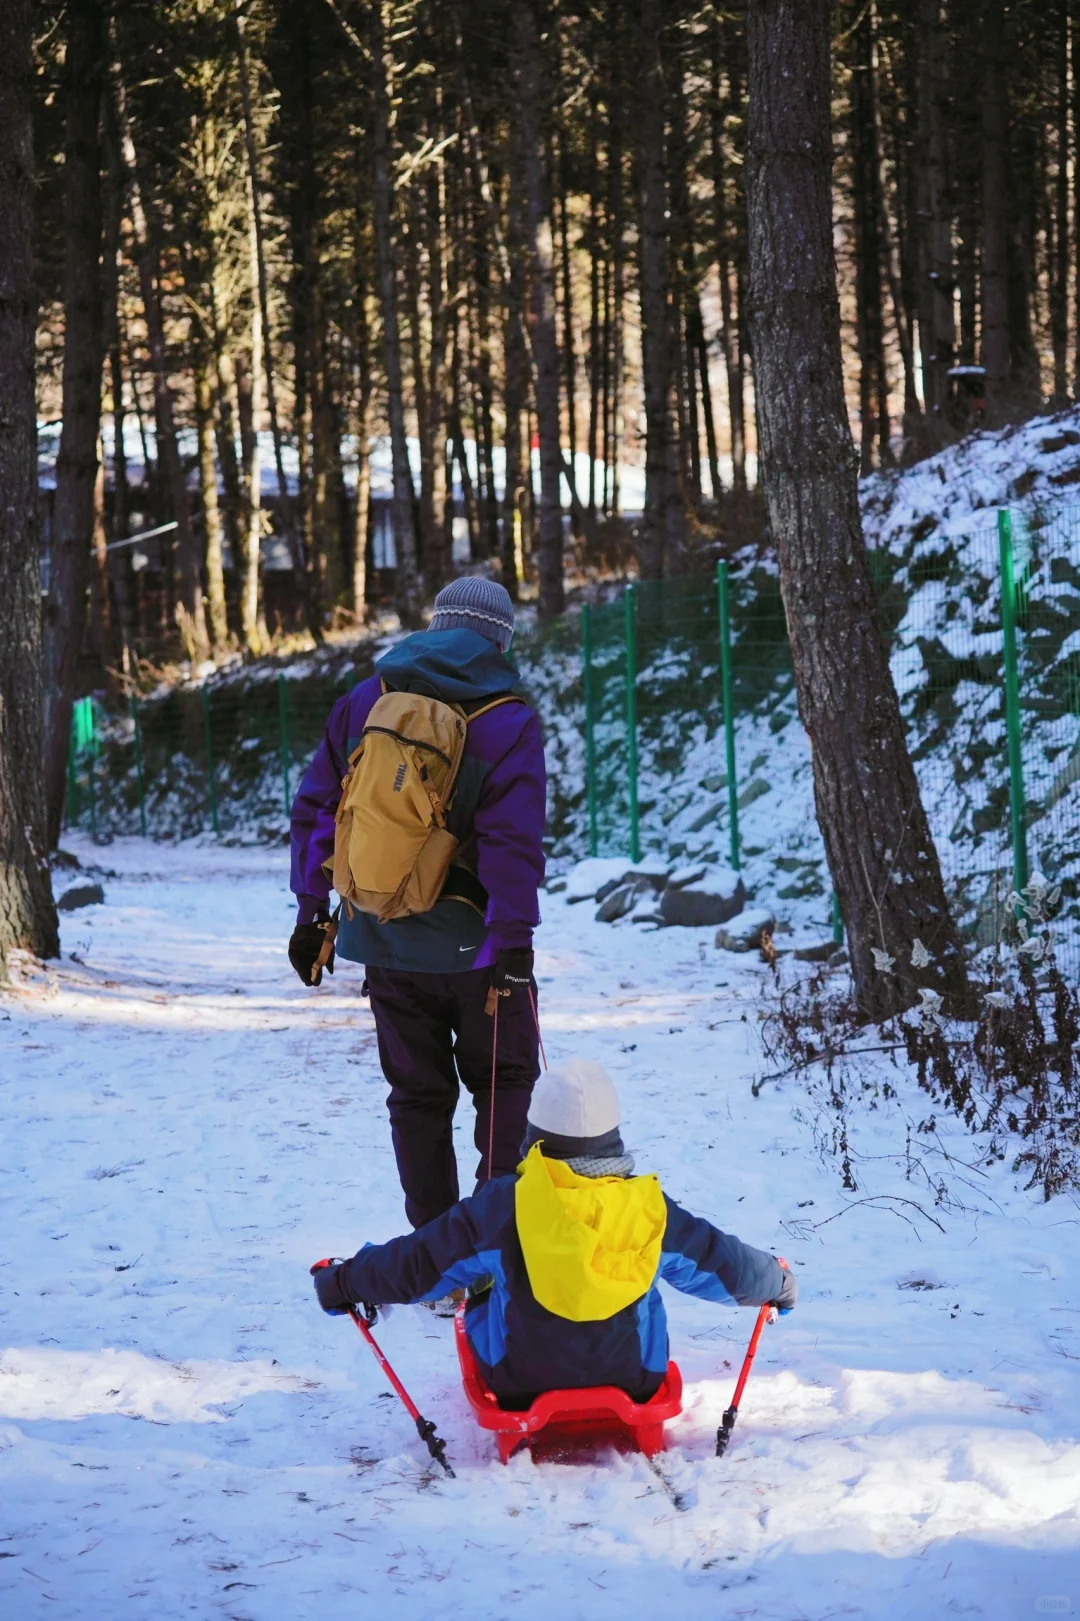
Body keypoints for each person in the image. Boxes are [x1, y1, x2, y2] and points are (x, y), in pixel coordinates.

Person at [311, 1058, 797, 1407]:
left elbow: (418, 1265)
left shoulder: (506, 1205)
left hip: (518, 1383)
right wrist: (776, 1282)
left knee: (480, 1278)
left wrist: (345, 1280)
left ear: (534, 1134)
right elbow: (721, 1263)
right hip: (637, 1380)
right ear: (615, 1135)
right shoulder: (649, 1207)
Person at [289, 577, 546, 1234]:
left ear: (436, 625)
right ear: (497, 639)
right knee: (504, 1086)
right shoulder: (510, 717)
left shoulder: (363, 700)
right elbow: (511, 841)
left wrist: (310, 911)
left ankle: (436, 1258)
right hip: (480, 950)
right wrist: (514, 937)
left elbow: (318, 808)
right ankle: (493, 1252)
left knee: (417, 1100)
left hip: (383, 936)